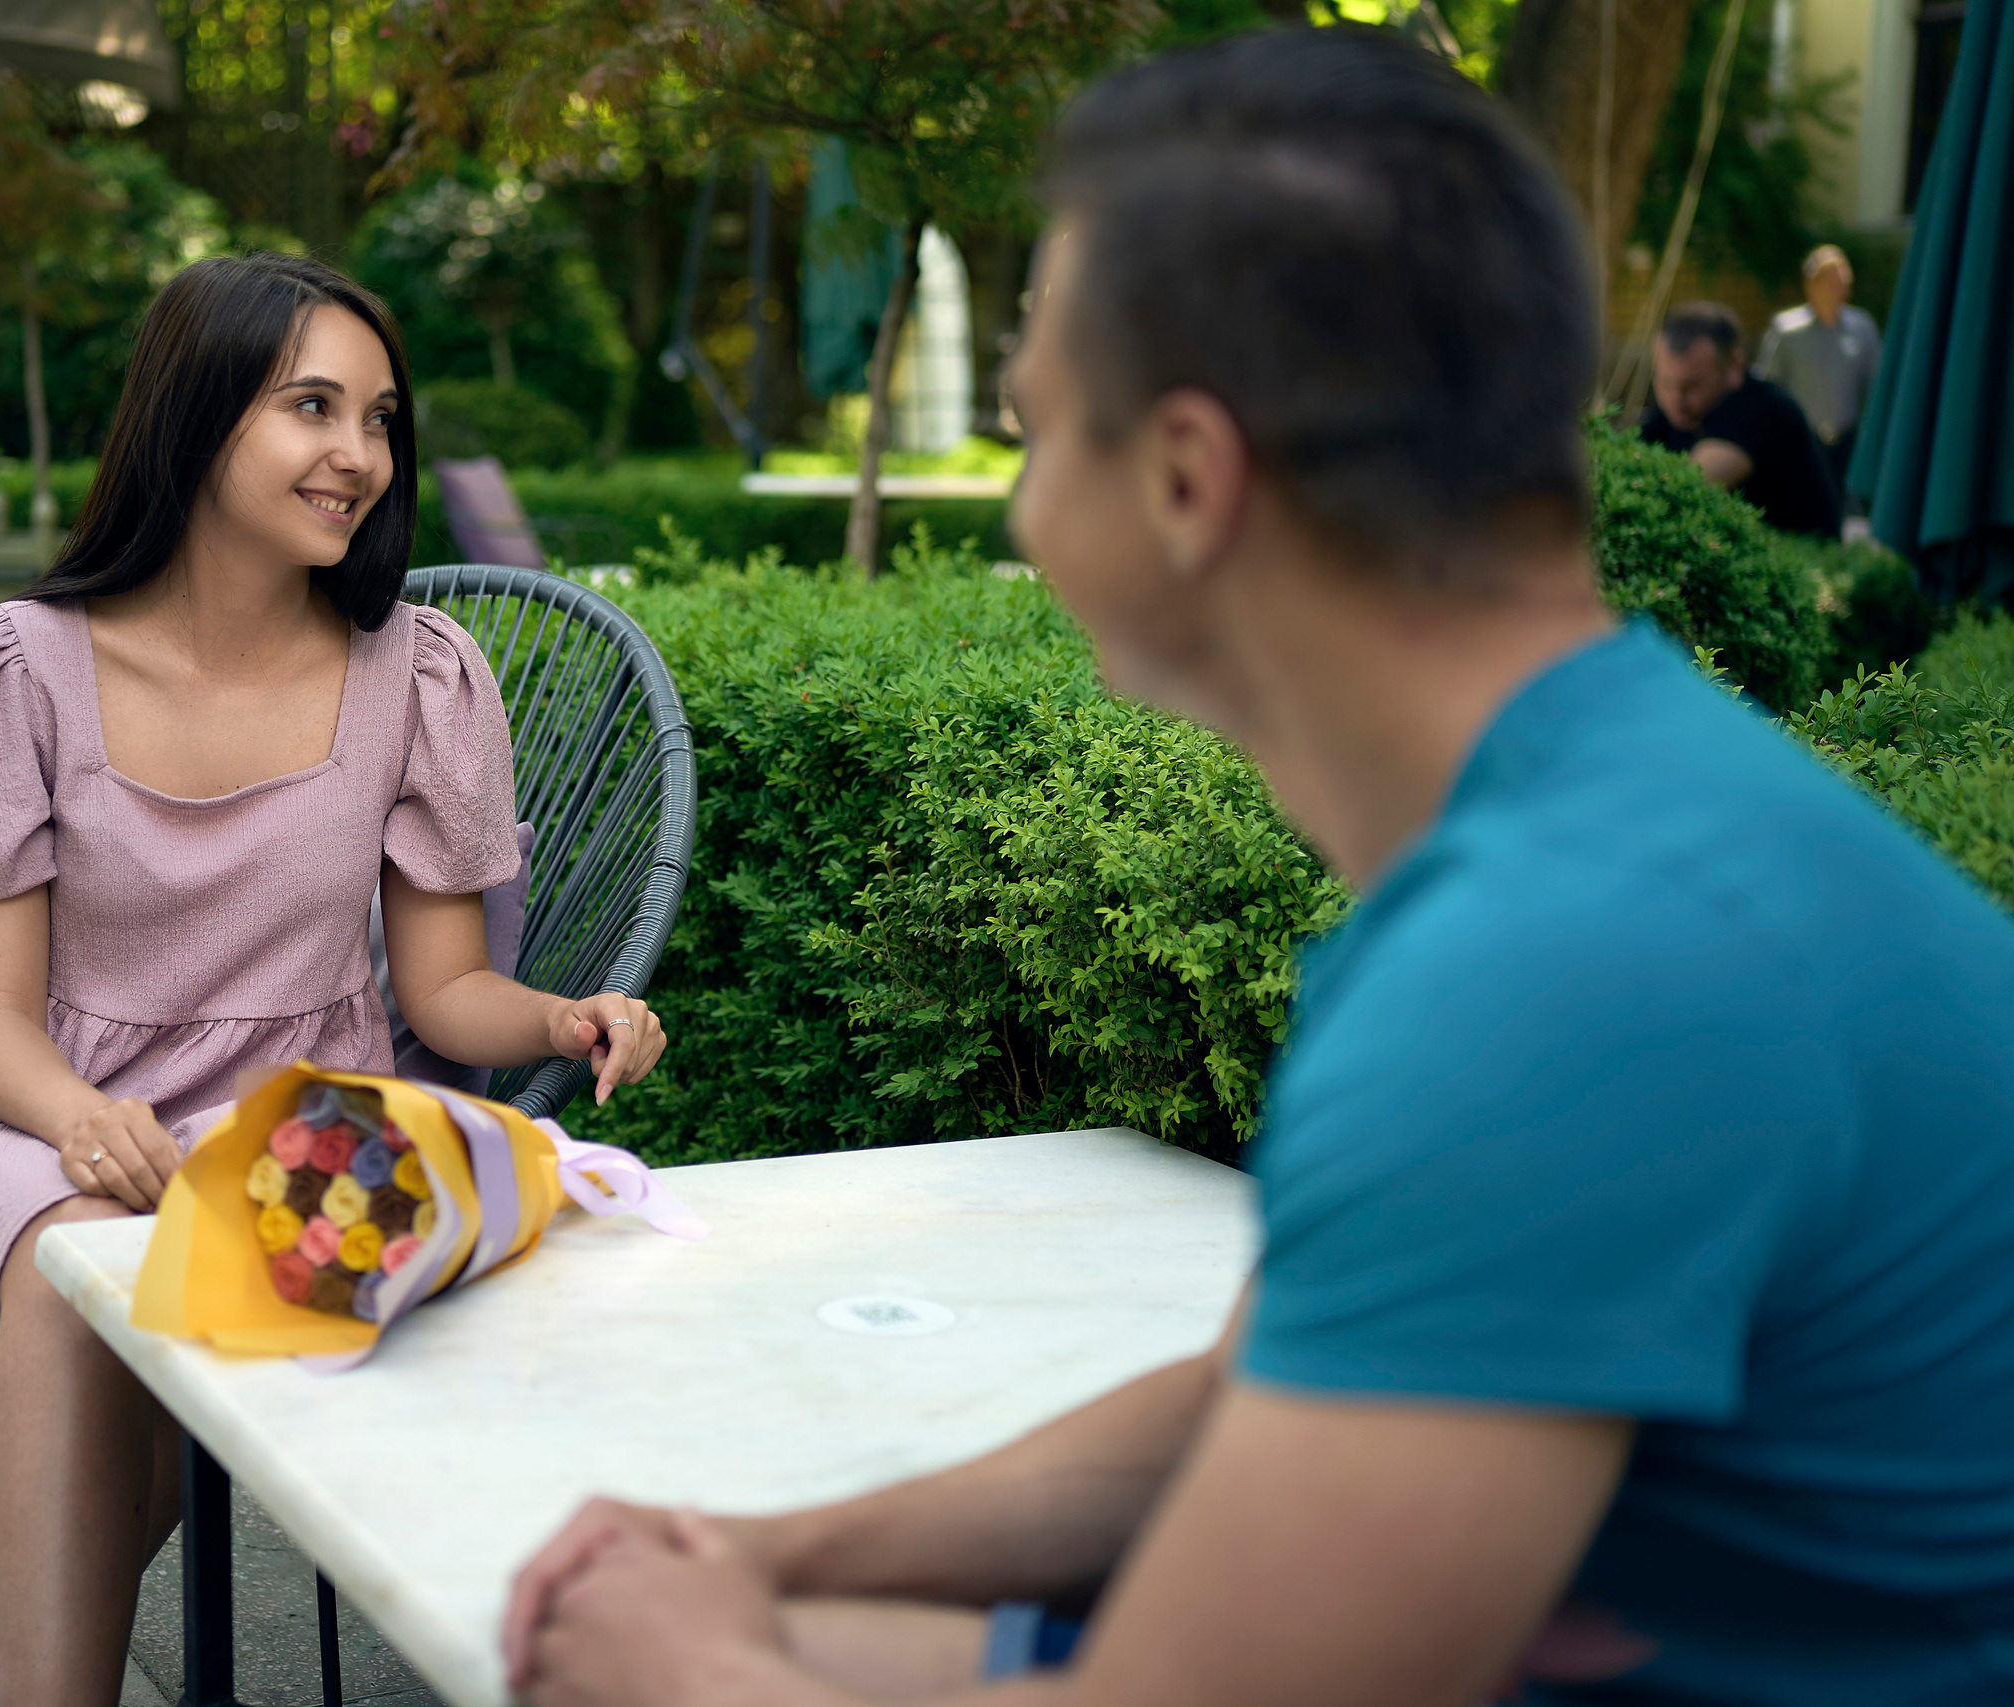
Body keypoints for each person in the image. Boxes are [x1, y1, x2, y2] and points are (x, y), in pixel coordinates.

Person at [502, 28, 2014, 1707]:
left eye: (1037, 435)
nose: (1021, 521)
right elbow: (1251, 1400)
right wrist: (774, 1557)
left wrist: (690, 1673)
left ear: (1185, 479)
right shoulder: (1605, 817)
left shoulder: (1555, 968)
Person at [0, 254, 670, 1707]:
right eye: (311, 405)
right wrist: (77, 1117)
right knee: (73, 1261)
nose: (357, 454)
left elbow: (444, 994)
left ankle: (45, 1626)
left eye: (378, 417)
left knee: (196, 1274)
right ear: (194, 414)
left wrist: (562, 1017)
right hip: (22, 1112)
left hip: (293, 1121)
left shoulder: (416, 675)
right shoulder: (14, 669)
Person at [1638, 302, 1841, 538]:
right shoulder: (1672, 414)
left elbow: (1686, 490)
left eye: (1692, 385)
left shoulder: (1763, 408)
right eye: (1665, 383)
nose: (1676, 400)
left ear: (1734, 366)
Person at [1755, 244, 1883, 493]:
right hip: (1799, 441)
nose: (1839, 287)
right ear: (1811, 284)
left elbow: (1876, 384)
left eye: (1843, 280)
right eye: (1831, 280)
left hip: (1847, 441)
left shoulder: (1862, 327)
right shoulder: (1786, 329)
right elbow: (1768, 386)